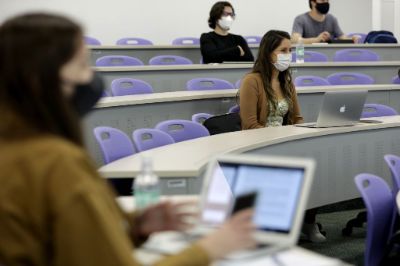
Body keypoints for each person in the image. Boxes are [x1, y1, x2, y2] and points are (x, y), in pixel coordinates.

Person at [0, 13, 257, 266]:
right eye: (81, 65)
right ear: (41, 80)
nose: (92, 76)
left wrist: (133, 226)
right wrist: (211, 248)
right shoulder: (57, 163)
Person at [239, 30, 326, 243]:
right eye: (283, 50)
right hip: (257, 144)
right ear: (269, 53)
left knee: (315, 164)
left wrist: (297, 137)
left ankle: (307, 222)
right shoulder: (252, 81)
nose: (288, 54)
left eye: (290, 50)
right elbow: (249, 125)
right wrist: (277, 140)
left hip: (284, 142)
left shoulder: (287, 81)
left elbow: (297, 118)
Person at [292, 0, 358, 44]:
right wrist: (317, 40)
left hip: (329, 58)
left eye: (327, 0)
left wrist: (351, 39)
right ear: (313, 2)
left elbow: (342, 37)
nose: (326, 2)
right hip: (307, 57)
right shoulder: (301, 19)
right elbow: (295, 40)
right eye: (323, 0)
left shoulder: (332, 19)